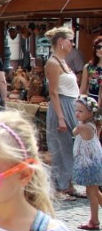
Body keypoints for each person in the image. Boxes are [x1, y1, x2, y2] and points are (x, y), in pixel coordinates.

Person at [44, 26, 84, 201]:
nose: (72, 44)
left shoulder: (63, 61)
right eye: (70, 40)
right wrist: (60, 116)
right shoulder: (53, 63)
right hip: (61, 106)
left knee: (69, 147)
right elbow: (53, 92)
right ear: (61, 42)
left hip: (70, 105)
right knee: (60, 147)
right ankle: (59, 187)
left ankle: (68, 184)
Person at [73, 95, 102, 231]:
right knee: (94, 191)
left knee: (92, 192)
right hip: (93, 161)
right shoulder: (93, 124)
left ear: (90, 113)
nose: (77, 113)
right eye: (76, 110)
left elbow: (73, 132)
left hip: (89, 163)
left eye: (81, 111)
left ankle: (94, 220)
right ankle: (94, 219)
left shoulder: (83, 127)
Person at [79, 35, 102, 103]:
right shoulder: (88, 67)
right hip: (92, 102)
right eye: (98, 47)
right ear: (95, 49)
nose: (101, 49)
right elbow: (82, 90)